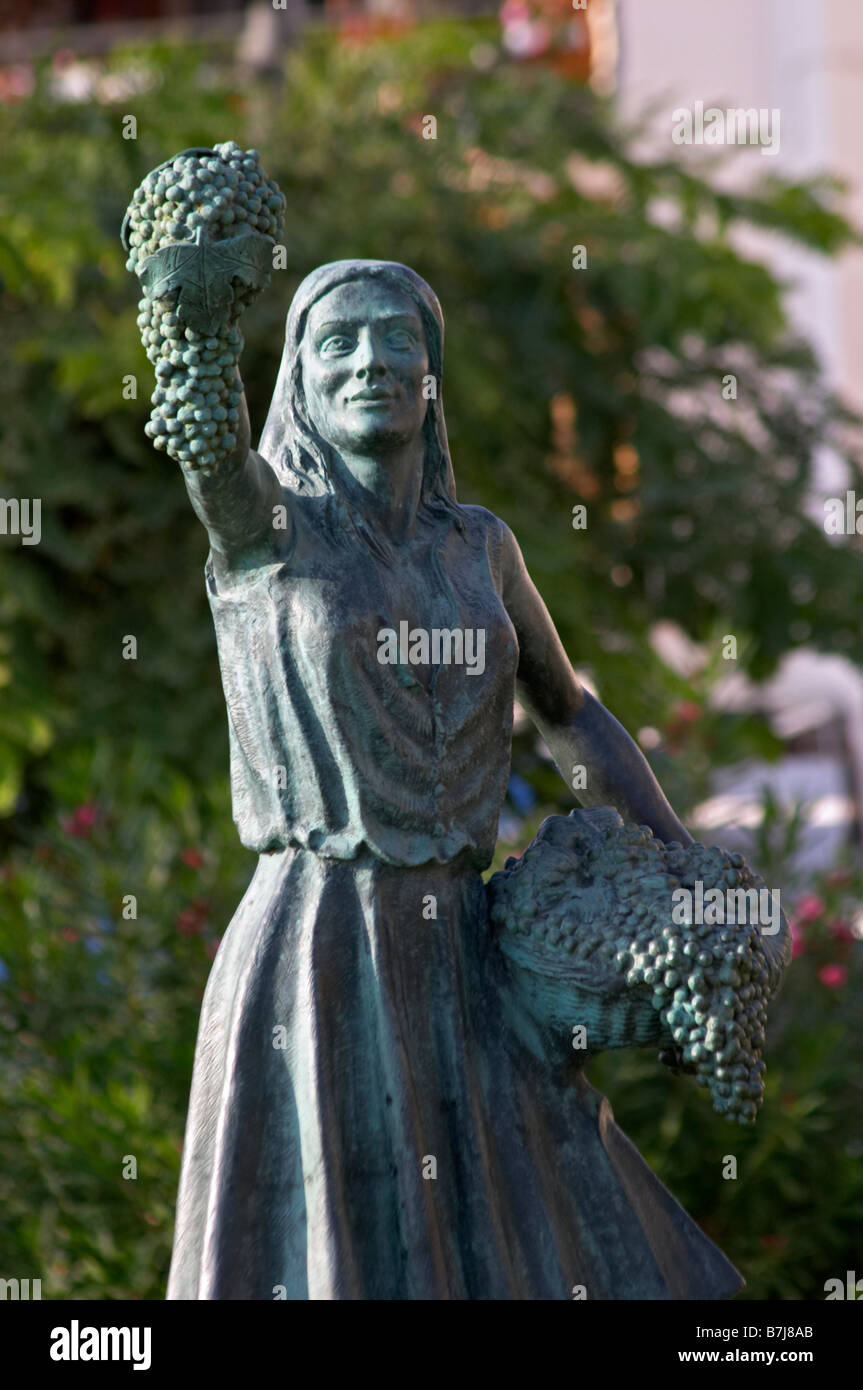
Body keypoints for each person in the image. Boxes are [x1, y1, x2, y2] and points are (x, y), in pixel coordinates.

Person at [166, 258, 742, 1300]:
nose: (369, 362)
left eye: (397, 338)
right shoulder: (268, 531)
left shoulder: (481, 549)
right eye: (334, 341)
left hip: (465, 949)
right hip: (320, 945)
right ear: (294, 376)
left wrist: (685, 867)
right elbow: (210, 453)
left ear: (430, 373)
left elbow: (570, 714)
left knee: (535, 1234)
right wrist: (191, 304)